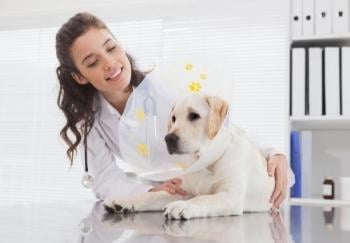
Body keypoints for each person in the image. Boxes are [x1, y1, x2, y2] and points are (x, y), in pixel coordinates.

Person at [55, 12, 292, 209]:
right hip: (161, 200)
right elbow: (105, 178)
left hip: (203, 191)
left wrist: (274, 153)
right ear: (79, 76)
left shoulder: (163, 87)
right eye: (92, 62)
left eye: (111, 48)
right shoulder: (88, 119)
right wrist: (149, 190)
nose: (110, 62)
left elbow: (223, 129)